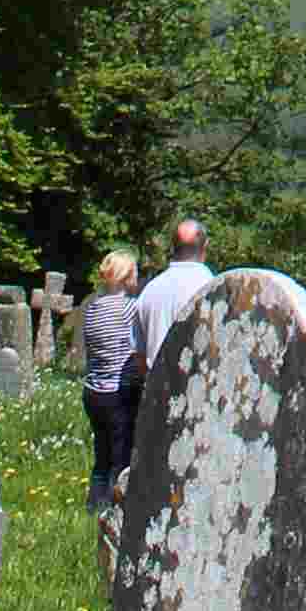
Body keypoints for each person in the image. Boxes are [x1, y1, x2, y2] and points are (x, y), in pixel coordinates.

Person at [77, 250, 142, 508]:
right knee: (121, 458)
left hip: (93, 390)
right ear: (127, 276)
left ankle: (93, 506)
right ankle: (114, 512)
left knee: (101, 457)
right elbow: (137, 347)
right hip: (118, 391)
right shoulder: (130, 308)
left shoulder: (93, 308)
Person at [129, 214, 214, 377]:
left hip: (157, 387)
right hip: (198, 387)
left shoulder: (149, 291)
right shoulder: (213, 288)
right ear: (206, 245)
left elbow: (139, 356)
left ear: (173, 246)